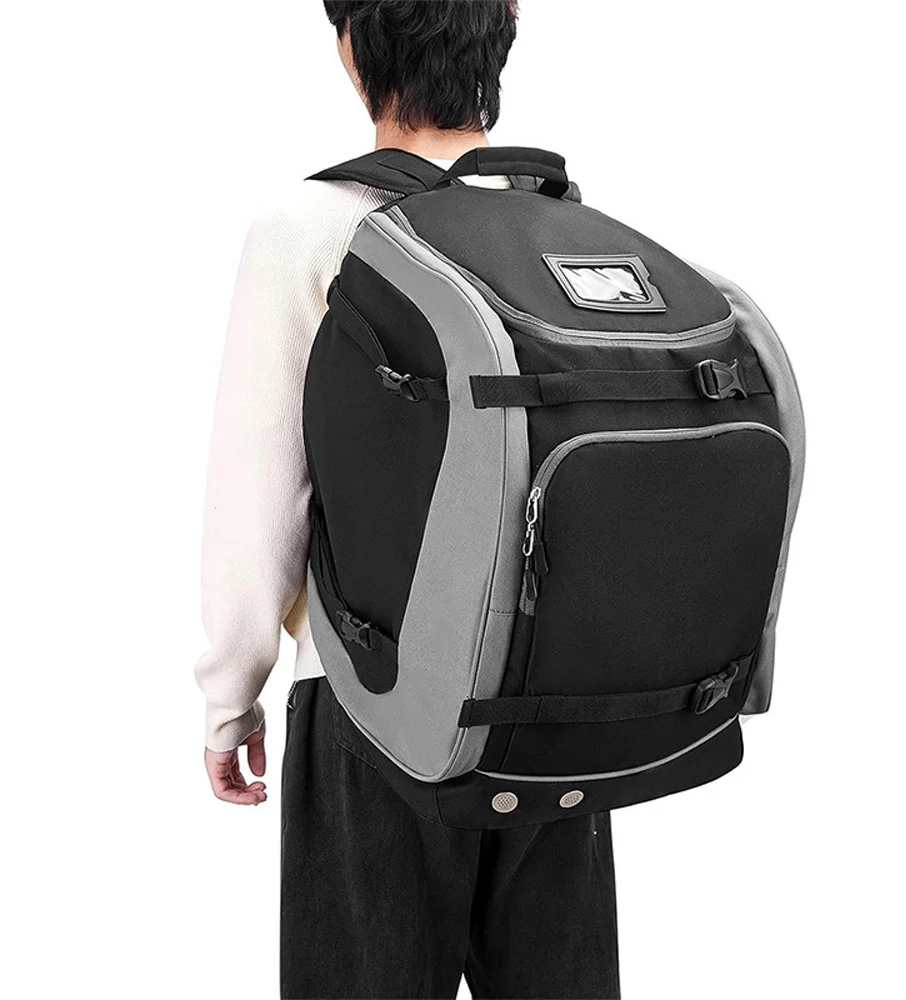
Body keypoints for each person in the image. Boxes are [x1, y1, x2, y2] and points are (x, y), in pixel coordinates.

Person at [195, 3, 620, 997]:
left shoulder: (307, 227)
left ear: (354, 46)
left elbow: (257, 494)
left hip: (371, 706)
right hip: (549, 710)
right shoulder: (565, 223)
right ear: (500, 33)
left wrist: (229, 697)